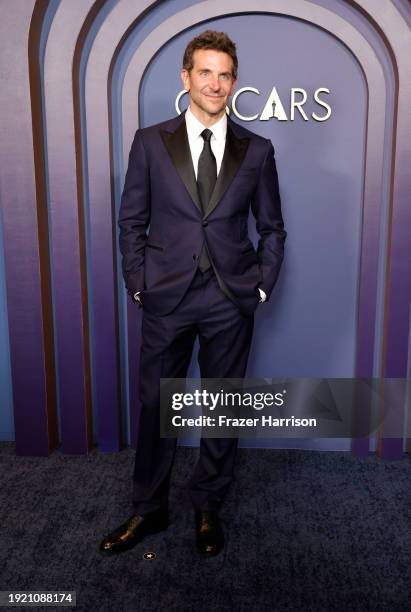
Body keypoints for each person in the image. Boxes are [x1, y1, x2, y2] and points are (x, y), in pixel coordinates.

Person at [99, 30, 286, 557]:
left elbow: (273, 227)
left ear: (234, 82)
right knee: (158, 405)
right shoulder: (151, 142)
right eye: (205, 72)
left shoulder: (259, 150)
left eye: (225, 74)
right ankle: (148, 509)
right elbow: (131, 219)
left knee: (223, 408)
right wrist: (137, 284)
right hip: (165, 297)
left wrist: (262, 285)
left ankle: (207, 507)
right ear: (186, 78)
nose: (216, 83)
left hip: (230, 298)